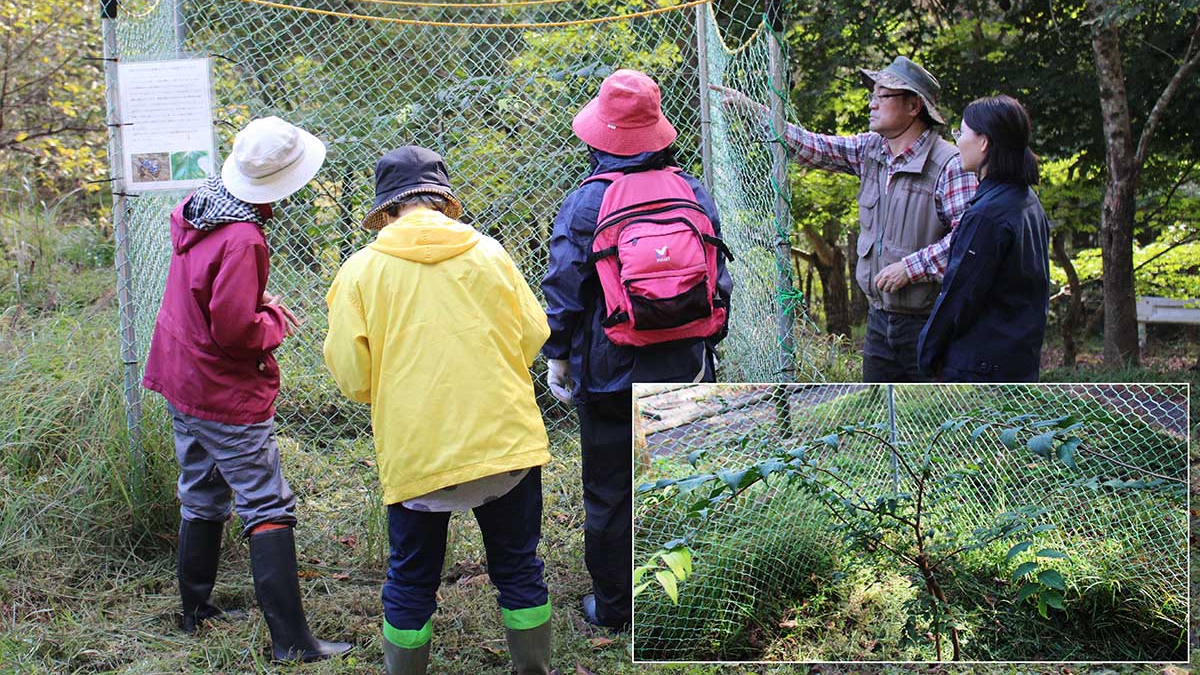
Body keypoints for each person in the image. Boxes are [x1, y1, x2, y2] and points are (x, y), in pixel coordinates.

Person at [324, 146, 554, 675]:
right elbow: (533, 334)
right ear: (444, 200)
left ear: (386, 210)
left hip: (418, 452)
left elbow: (353, 376)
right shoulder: (491, 254)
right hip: (505, 444)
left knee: (410, 577)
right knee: (519, 567)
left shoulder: (359, 272)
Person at [141, 116, 351, 663]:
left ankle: (196, 609)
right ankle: (291, 642)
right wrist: (273, 322)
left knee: (202, 490)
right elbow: (235, 332)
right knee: (267, 504)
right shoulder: (243, 238)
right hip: (222, 390)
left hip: (182, 376)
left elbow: (208, 298)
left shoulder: (203, 205)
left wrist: (253, 308)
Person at [542, 68, 732, 632]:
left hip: (608, 370)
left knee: (608, 489)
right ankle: (687, 590)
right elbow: (718, 279)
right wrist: (703, 343)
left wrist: (558, 356)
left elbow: (564, 288)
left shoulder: (586, 204)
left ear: (599, 135)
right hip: (685, 366)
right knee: (679, 474)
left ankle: (615, 606)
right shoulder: (691, 192)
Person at [713, 56, 978, 382]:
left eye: (882, 96)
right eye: (873, 95)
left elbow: (969, 242)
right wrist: (756, 111)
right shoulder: (872, 150)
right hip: (878, 323)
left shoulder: (949, 165)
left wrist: (911, 269)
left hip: (930, 322)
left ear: (913, 106)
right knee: (880, 411)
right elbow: (814, 146)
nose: (872, 104)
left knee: (928, 413)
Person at [918, 95, 1050, 382]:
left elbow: (959, 296)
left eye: (961, 133)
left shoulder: (987, 215)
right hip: (1017, 360)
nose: (957, 142)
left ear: (984, 142)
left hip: (980, 367)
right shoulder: (1026, 200)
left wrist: (927, 355)